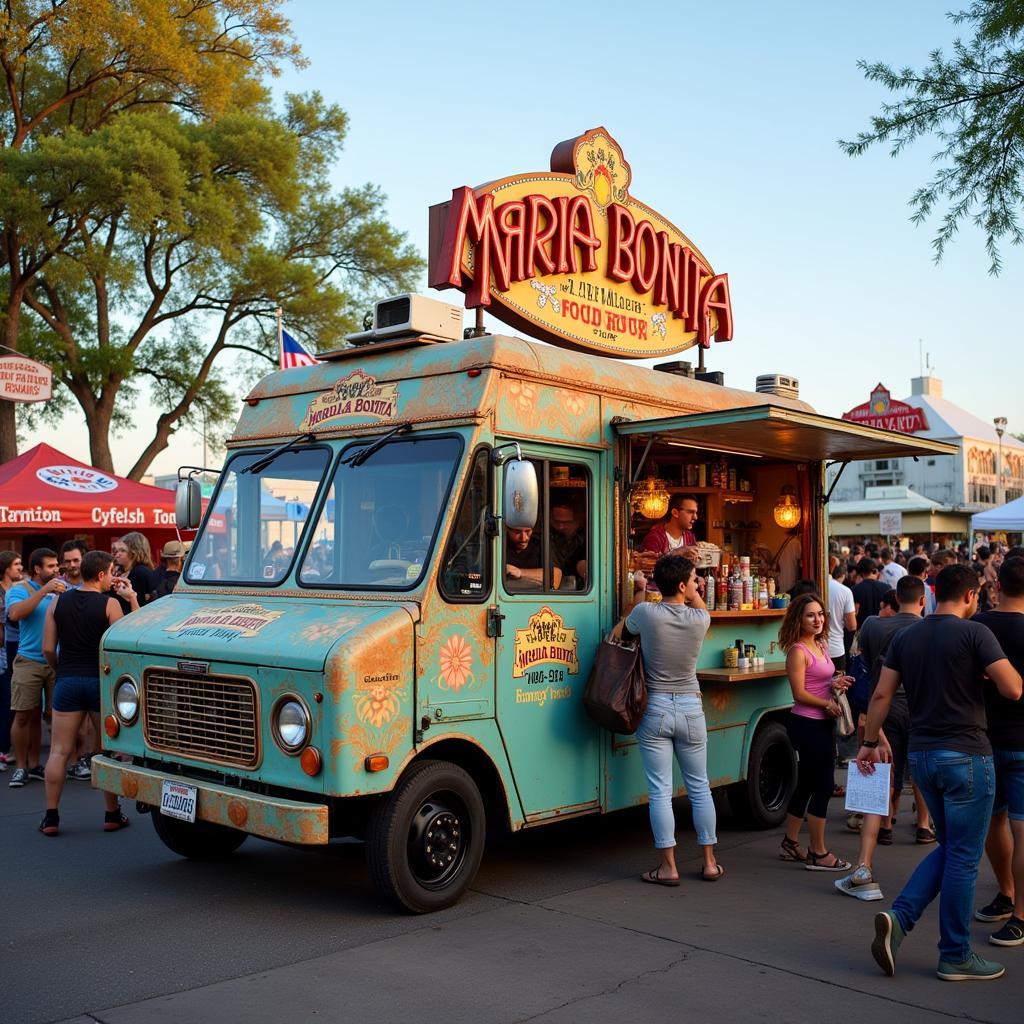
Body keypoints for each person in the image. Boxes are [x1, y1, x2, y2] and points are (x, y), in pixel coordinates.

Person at [861, 564, 1022, 982]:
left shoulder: (907, 635)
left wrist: (868, 740)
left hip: (922, 756)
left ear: (934, 592)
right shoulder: (975, 634)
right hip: (967, 754)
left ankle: (901, 918)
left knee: (951, 847)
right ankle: (955, 953)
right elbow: (1013, 688)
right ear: (971, 595)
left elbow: (882, 692)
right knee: (964, 857)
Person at [619, 555, 722, 884]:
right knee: (700, 788)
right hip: (691, 707)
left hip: (657, 708)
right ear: (681, 586)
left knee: (660, 792)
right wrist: (693, 594)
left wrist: (638, 589)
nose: (697, 584)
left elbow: (624, 629)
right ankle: (708, 863)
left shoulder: (646, 613)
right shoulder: (699, 619)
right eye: (694, 579)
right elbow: (701, 606)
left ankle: (669, 867)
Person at [836, 575, 930, 903]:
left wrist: (872, 731)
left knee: (878, 777)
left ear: (895, 599)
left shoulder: (874, 626)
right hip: (917, 710)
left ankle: (869, 857)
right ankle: (922, 824)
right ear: (922, 600)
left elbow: (869, 666)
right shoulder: (927, 628)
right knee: (916, 772)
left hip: (883, 707)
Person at [39, 550, 133, 836]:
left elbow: (47, 649)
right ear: (102, 575)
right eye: (111, 572)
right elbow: (129, 643)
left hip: (67, 680)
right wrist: (132, 599)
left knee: (58, 751)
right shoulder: (110, 604)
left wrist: (60, 669)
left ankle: (51, 817)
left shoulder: (58, 601)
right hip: (98, 683)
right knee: (104, 751)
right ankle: (111, 813)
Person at [777, 593, 854, 871]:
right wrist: (826, 703)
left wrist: (835, 682)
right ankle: (818, 852)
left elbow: (818, 680)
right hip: (807, 723)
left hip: (821, 722)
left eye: (820, 614)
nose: (818, 619)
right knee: (822, 785)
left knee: (808, 784)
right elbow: (799, 693)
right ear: (799, 619)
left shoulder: (819, 644)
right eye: (811, 615)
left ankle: (790, 841)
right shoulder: (798, 650)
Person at [974, 556, 1024, 946]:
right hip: (1010, 741)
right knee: (1020, 829)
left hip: (985, 737)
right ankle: (1017, 910)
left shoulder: (979, 626)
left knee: (995, 822)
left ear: (997, 584)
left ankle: (1008, 895)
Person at [5, 548, 67, 787]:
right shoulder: (19, 590)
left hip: (57, 660)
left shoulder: (62, 588)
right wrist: (44, 591)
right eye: (51, 567)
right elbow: (15, 614)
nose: (56, 570)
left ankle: (36, 764)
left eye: (56, 565)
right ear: (37, 569)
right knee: (23, 716)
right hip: (28, 660)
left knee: (54, 716)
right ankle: (21, 767)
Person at [0, 551, 24, 768]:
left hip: (16, 645)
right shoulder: (3, 591)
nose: (19, 567)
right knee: (7, 697)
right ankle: (3, 747)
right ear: (6, 567)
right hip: (6, 646)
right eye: (16, 564)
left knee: (12, 698)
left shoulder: (19, 589)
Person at [639, 493, 700, 563]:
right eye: (690, 512)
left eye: (695, 513)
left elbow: (693, 567)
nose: (695, 517)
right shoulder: (654, 538)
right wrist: (676, 552)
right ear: (675, 513)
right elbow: (648, 566)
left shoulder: (690, 537)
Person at [112, 532, 157, 607]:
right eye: (117, 550)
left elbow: (141, 603)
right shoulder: (125, 571)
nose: (117, 554)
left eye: (123, 550)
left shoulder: (139, 572)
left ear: (134, 553)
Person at [827, 562, 856, 671]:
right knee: (838, 686)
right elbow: (852, 626)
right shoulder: (845, 591)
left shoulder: (814, 586)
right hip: (835, 648)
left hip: (813, 649)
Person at [549, 504, 587, 588]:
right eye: (557, 522)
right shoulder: (544, 539)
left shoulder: (588, 540)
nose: (561, 527)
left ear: (579, 521)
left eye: (567, 522)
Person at [852, 557, 891, 628]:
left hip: (862, 629)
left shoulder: (855, 589)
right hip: (882, 628)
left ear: (861, 573)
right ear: (875, 571)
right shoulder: (887, 588)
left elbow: (854, 613)